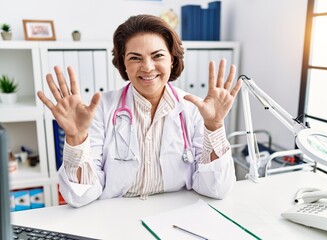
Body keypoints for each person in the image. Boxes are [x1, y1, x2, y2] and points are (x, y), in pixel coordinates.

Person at [37, 14, 242, 208]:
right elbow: (80, 197)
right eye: (135, 58)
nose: (147, 67)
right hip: (116, 219)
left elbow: (216, 189)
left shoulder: (192, 109)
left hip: (176, 215)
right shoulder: (102, 109)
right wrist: (76, 137)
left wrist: (214, 127)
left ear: (172, 59)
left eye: (157, 55)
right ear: (123, 64)